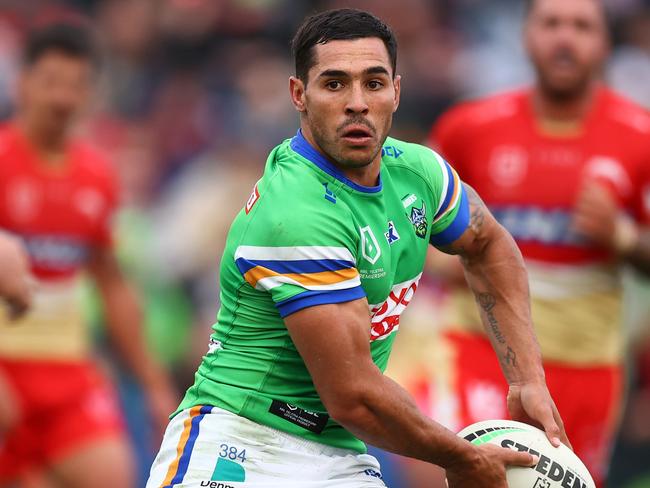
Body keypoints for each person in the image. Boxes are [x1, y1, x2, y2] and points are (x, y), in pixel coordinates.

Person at [147, 9, 570, 488]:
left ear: (396, 92)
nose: (357, 103)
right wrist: (466, 457)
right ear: (299, 96)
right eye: (334, 84)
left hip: (338, 453)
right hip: (242, 442)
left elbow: (488, 244)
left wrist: (527, 379)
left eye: (373, 83)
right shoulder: (296, 212)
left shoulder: (420, 174)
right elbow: (353, 395)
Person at [427, 0, 650, 486]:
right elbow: (414, 218)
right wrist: (438, 258)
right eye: (551, 24)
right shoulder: (469, 128)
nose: (564, 38)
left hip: (586, 361)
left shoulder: (641, 138)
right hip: (482, 348)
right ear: (527, 37)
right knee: (478, 471)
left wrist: (623, 238)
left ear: (604, 43)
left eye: (581, 26)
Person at [0, 22, 177, 488]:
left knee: (113, 475)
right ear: (22, 83)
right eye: (51, 82)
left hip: (68, 372)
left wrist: (155, 384)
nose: (63, 98)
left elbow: (112, 285)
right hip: (5, 373)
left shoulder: (96, 175)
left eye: (77, 85)